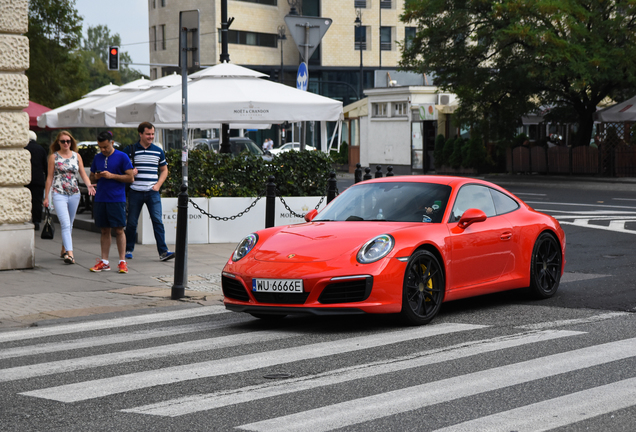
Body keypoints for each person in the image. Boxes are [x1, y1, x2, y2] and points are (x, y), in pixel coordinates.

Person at [123, 122, 175, 261]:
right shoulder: (130, 149)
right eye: (148, 134)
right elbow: (121, 168)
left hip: (153, 192)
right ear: (140, 134)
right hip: (135, 191)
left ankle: (163, 252)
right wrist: (130, 172)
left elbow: (164, 170)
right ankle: (128, 249)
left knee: (157, 221)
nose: (151, 136)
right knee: (132, 222)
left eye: (152, 134)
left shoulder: (158, 151)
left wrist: (158, 185)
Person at [43, 131, 96, 264]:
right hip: (59, 192)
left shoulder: (76, 156)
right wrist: (46, 197)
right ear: (58, 143)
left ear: (71, 142)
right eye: (63, 141)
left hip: (74, 193)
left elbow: (83, 173)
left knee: (70, 224)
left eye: (68, 141)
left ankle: (64, 249)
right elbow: (49, 177)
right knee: (65, 223)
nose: (66, 143)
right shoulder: (53, 157)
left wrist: (89, 185)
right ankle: (70, 254)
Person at [89, 131, 134, 273]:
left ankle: (122, 261)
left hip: (117, 198)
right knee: (104, 230)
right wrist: (96, 176)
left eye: (105, 147)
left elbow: (130, 177)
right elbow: (91, 178)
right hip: (101, 198)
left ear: (112, 143)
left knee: (119, 229)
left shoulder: (122, 156)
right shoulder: (97, 158)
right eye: (100, 147)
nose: (103, 150)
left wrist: (112, 176)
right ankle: (104, 261)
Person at [25, 130, 48, 230]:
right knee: (37, 201)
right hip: (38, 179)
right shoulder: (41, 149)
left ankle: (25, 219)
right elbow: (45, 166)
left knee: (25, 200)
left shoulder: (24, 149)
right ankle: (37, 221)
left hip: (26, 179)